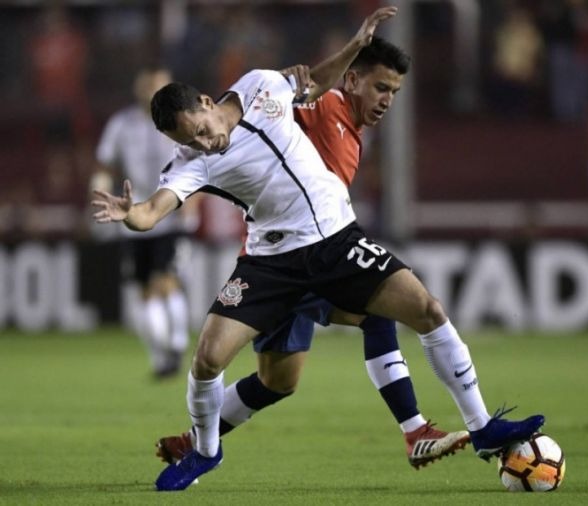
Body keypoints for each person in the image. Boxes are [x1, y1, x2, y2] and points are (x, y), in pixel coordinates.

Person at [92, 6, 544, 492]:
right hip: (270, 263)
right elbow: (154, 210)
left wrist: (355, 43)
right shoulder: (191, 163)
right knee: (209, 361)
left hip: (337, 240)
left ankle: (479, 427)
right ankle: (205, 452)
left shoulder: (261, 85)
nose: (205, 143)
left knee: (427, 309)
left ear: (206, 100)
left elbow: (316, 82)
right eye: (190, 142)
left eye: (201, 129)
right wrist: (131, 213)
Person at [155, 36, 470, 472]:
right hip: (284, 259)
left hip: (310, 255)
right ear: (353, 80)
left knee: (280, 380)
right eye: (381, 88)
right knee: (374, 316)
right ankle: (415, 430)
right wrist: (300, 80)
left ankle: (197, 439)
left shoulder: (354, 135)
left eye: (394, 93)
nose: (387, 101)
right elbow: (285, 100)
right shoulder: (327, 107)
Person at [92, 67, 192, 378]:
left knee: (164, 280)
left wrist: (194, 201)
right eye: (146, 84)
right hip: (134, 214)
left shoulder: (182, 119)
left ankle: (175, 344)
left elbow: (201, 160)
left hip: (170, 209)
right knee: (144, 290)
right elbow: (104, 163)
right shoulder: (121, 124)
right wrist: (96, 191)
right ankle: (164, 354)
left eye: (157, 84)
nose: (150, 90)